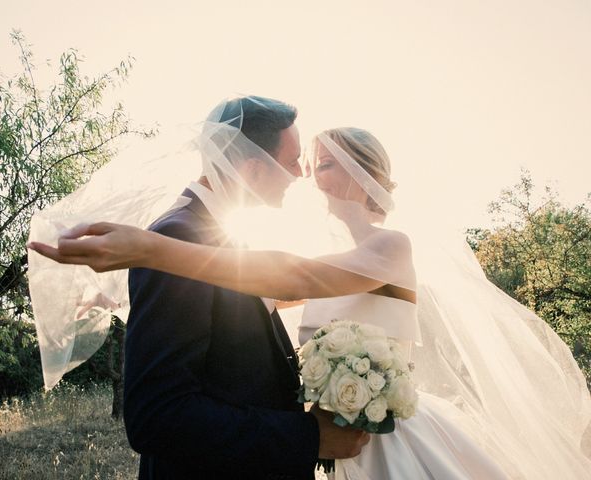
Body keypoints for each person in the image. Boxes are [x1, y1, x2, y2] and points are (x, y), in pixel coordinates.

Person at [30, 125, 591, 479]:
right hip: (331, 441)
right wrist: (121, 286)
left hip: (390, 441)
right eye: (306, 161)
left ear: (358, 174)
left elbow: (288, 272)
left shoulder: (391, 247)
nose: (303, 172)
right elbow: (238, 291)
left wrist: (151, 247)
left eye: (321, 163)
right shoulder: (326, 252)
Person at [29, 96, 372, 480]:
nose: (301, 174)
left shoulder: (219, 238)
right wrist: (308, 436)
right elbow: (157, 415)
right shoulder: (179, 237)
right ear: (254, 169)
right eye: (292, 161)